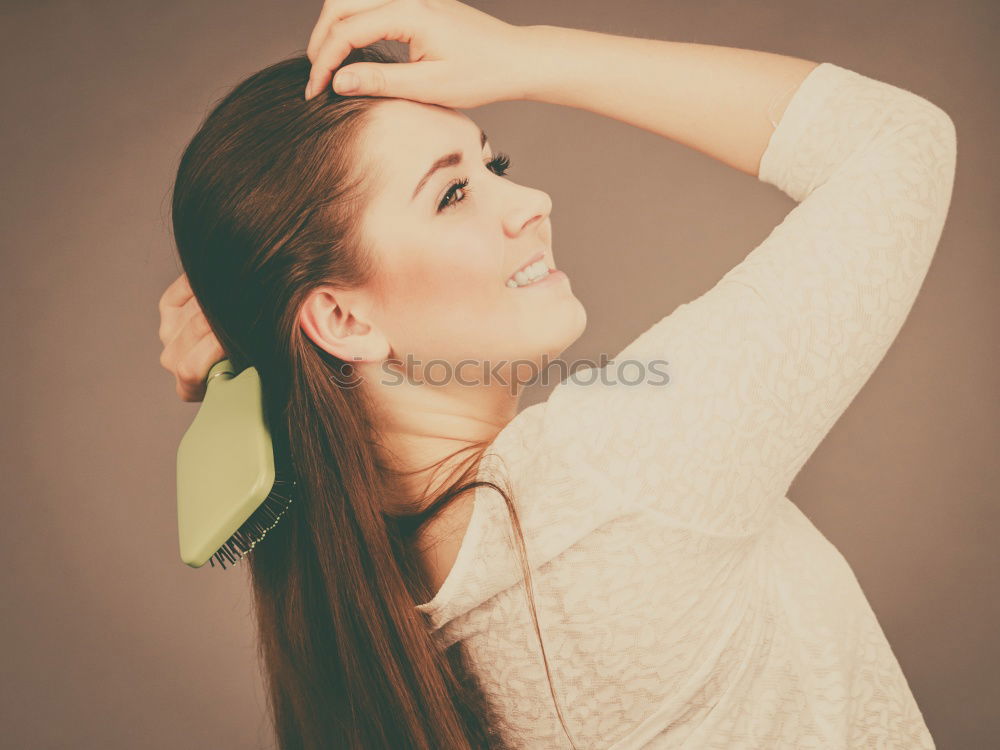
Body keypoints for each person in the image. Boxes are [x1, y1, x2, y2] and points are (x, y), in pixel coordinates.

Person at [157, 1, 956, 748]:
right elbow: (898, 141)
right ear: (344, 322)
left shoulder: (364, 599)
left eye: (494, 162)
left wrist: (252, 345)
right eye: (454, 192)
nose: (532, 200)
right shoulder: (612, 477)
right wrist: (525, 53)